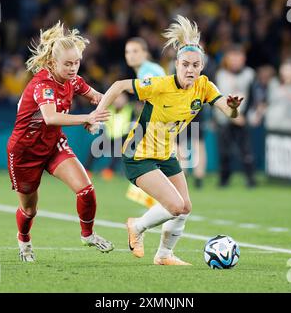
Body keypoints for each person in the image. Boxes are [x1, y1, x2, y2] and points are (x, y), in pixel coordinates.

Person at [90, 16, 243, 265]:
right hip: (138, 154)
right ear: (176, 64)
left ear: (202, 67)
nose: (190, 70)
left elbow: (228, 111)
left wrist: (233, 108)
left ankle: (164, 255)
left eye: (195, 65)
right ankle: (136, 226)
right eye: (185, 65)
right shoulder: (160, 85)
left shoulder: (203, 86)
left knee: (185, 207)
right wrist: (98, 116)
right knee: (175, 205)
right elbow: (118, 86)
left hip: (165, 153)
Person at [7, 22, 114, 262]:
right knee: (30, 209)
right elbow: (51, 117)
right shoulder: (42, 85)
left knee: (86, 189)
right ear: (52, 63)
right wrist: (86, 117)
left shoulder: (73, 81)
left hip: (53, 145)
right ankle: (24, 241)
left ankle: (88, 235)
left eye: (76, 62)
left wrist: (105, 107)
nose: (74, 68)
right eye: (68, 64)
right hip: (25, 152)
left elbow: (97, 97)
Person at [124, 37, 166, 207]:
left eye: (135, 51)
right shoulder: (150, 69)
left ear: (145, 53)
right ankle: (159, 202)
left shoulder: (146, 72)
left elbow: (153, 97)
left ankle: (160, 202)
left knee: (140, 159)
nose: (131, 56)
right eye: (128, 52)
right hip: (163, 118)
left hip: (159, 120)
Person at [213, 45, 257, 188]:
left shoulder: (249, 74)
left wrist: (242, 115)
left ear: (243, 59)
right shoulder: (219, 75)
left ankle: (251, 179)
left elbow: (253, 97)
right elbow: (214, 97)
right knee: (224, 152)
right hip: (223, 119)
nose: (235, 61)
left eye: (238, 58)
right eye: (232, 58)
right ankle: (224, 179)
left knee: (246, 151)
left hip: (242, 119)